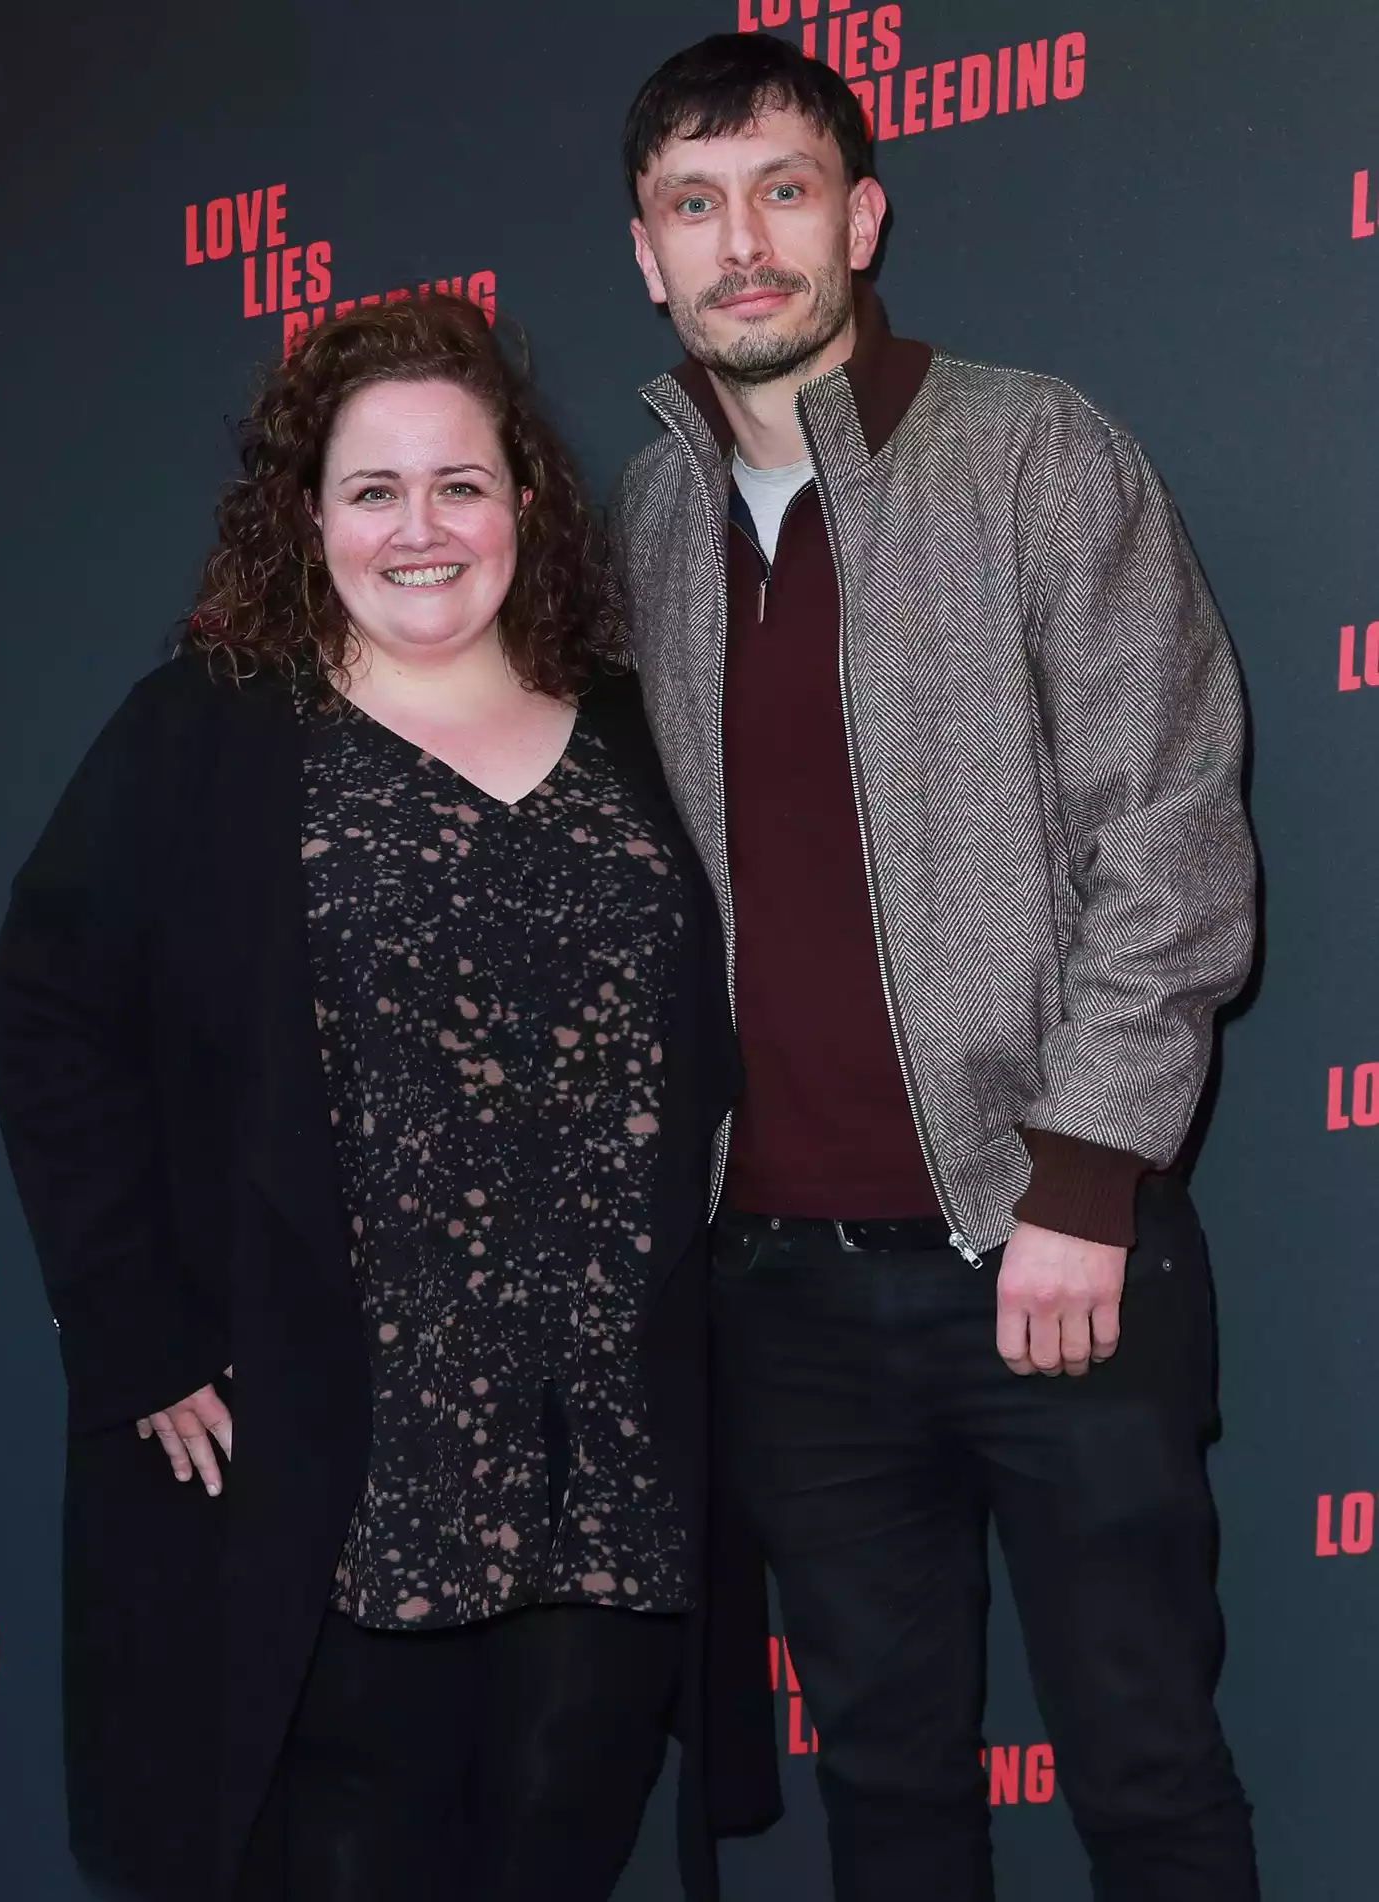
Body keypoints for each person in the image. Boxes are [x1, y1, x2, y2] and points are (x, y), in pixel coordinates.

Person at [0, 295, 777, 1902]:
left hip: (604, 1455)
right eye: (372, 490)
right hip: (343, 1454)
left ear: (527, 505)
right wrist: (132, 1327)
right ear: (307, 517)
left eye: (461, 484)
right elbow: (48, 1009)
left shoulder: (636, 728)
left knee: (558, 1855)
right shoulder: (212, 730)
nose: (422, 529)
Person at [609, 31, 1260, 1902]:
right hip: (786, 1300)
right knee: (886, 1799)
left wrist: (1082, 1178)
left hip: (1050, 1249)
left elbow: (1170, 828)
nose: (745, 242)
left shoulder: (1034, 450)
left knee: (1147, 1773)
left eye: (784, 191)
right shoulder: (640, 525)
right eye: (695, 205)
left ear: (861, 216)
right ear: (645, 253)